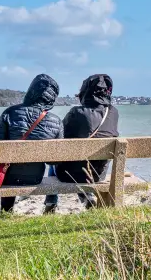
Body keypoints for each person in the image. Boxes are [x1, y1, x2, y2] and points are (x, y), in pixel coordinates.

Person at [0, 73, 63, 215]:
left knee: (9, 166)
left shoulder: (10, 113)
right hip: (35, 178)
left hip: (6, 177)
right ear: (52, 97)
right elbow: (57, 159)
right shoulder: (56, 121)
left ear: (31, 90)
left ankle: (6, 212)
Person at [43, 73, 118, 214]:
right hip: (97, 174)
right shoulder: (113, 112)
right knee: (79, 161)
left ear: (86, 91)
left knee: (55, 163)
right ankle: (87, 198)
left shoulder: (77, 113)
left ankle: (51, 203)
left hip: (68, 174)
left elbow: (61, 140)